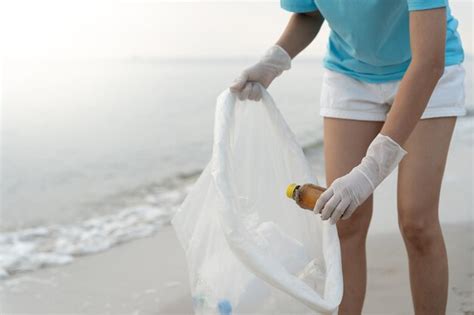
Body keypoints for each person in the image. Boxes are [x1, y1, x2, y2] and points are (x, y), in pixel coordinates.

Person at [229, 0, 465, 314]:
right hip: (350, 76)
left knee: (417, 223)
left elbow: (429, 62)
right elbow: (309, 12)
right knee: (344, 224)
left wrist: (371, 169)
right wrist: (275, 60)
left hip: (428, 72)